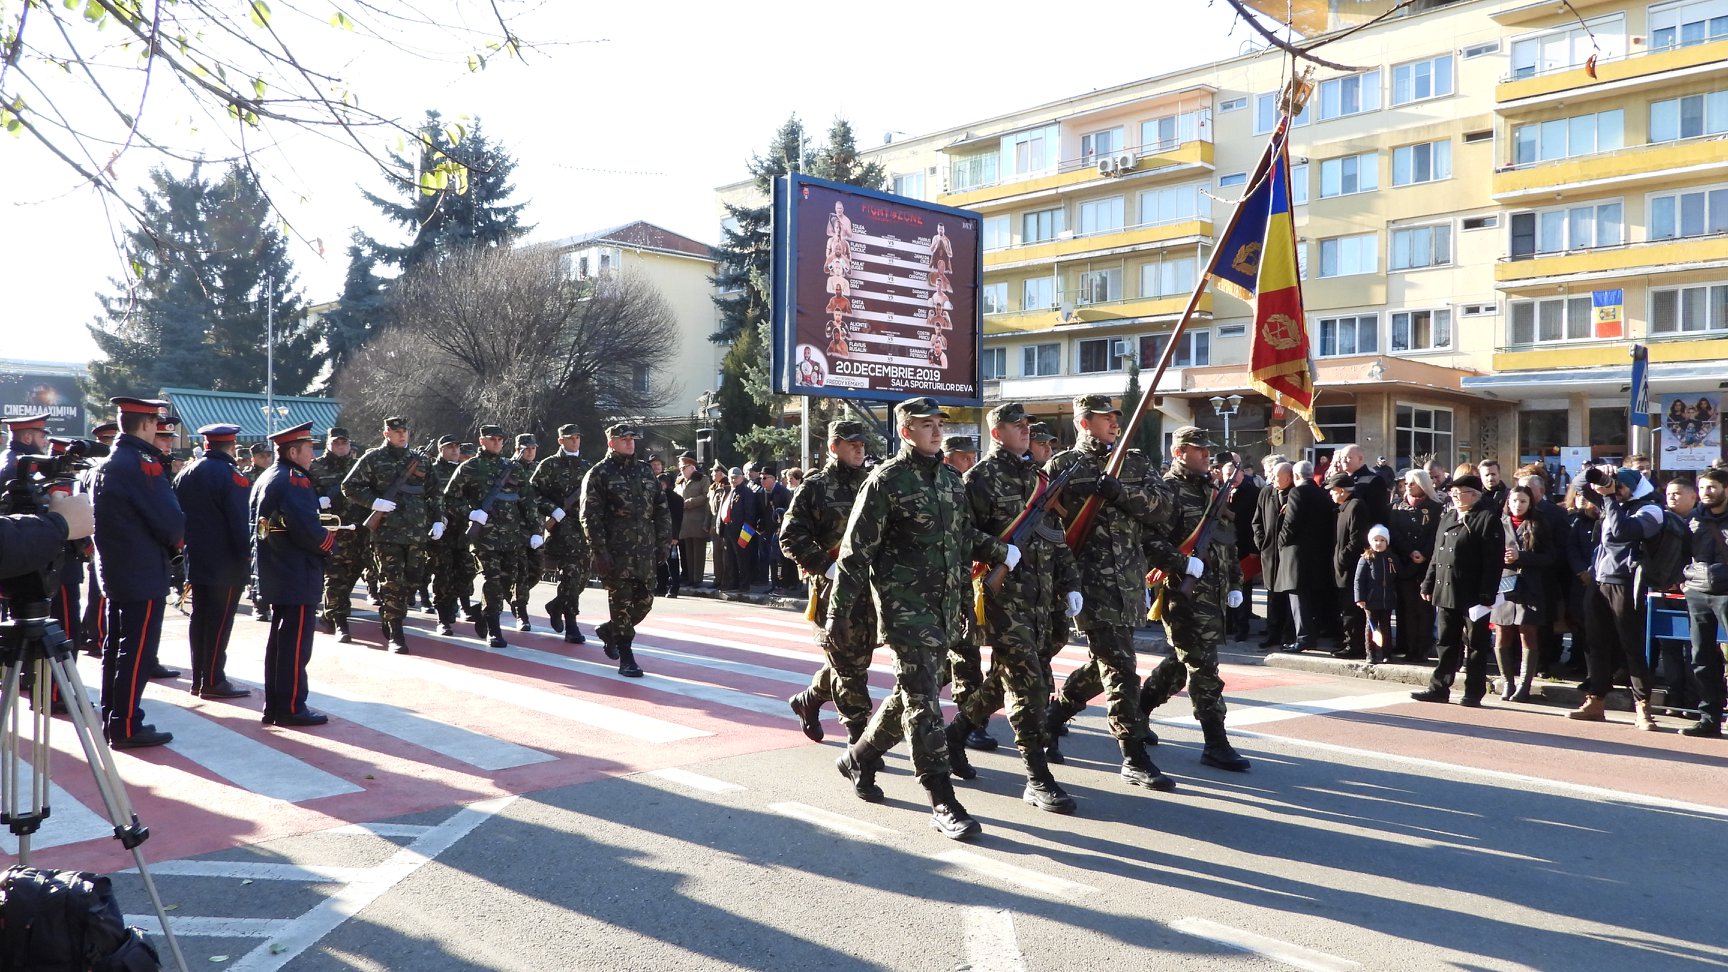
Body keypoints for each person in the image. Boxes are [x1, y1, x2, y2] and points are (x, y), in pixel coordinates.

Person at [829, 397, 1013, 840]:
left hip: (946, 607)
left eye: (938, 424)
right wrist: (838, 614)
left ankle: (859, 756)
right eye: (925, 425)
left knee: (910, 695)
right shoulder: (885, 481)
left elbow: (963, 536)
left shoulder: (952, 479)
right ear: (906, 431)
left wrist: (1001, 551)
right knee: (924, 705)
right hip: (906, 609)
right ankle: (940, 797)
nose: (935, 431)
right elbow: (856, 553)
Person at [942, 402, 1082, 813]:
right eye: (1016, 425)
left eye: (1027, 425)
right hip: (1003, 600)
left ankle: (956, 734)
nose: (1025, 430)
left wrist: (1070, 584)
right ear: (997, 432)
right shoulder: (979, 479)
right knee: (1030, 686)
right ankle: (1038, 777)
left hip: (1040, 600)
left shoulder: (1038, 478)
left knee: (1004, 679)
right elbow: (961, 533)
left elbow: (1057, 537)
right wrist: (998, 549)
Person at [1042, 395, 1176, 791]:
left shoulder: (1133, 461)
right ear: (1085, 423)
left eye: (1116, 416)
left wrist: (1121, 494)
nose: (1115, 423)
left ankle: (1054, 716)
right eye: (1105, 418)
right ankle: (1133, 756)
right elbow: (1048, 527)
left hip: (1129, 581)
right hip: (1088, 583)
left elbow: (1162, 507)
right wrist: (1061, 581)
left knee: (1105, 666)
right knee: (1121, 669)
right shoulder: (1065, 466)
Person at [1139, 426, 1253, 772]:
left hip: (1214, 595)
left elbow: (1225, 540)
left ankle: (1138, 710)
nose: (1206, 454)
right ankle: (1215, 743)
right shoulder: (1167, 490)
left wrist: (1235, 582)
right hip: (1183, 595)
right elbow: (1149, 541)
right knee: (1205, 670)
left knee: (1178, 665)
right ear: (1178, 453)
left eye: (1207, 449)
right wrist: (1180, 562)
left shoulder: (1211, 490)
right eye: (1197, 449)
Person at [90, 397, 186, 749]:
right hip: (142, 571)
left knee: (116, 647)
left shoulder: (111, 462)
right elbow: (171, 522)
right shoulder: (141, 464)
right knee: (137, 651)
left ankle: (113, 716)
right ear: (146, 424)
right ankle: (126, 724)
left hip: (118, 571)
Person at [782, 420, 876, 745]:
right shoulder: (815, 487)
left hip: (871, 590)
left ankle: (808, 700)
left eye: (862, 443)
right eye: (851, 443)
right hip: (833, 593)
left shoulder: (872, 484)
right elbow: (790, 536)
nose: (859, 448)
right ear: (833, 447)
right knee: (850, 671)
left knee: (853, 660)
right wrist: (827, 566)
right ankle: (860, 745)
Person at [250, 421, 334, 727]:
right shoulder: (292, 479)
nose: (313, 454)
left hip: (279, 568)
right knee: (295, 644)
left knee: (282, 642)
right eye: (309, 448)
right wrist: (329, 543)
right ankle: (290, 706)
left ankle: (277, 704)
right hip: (295, 569)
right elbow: (305, 527)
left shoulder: (269, 476)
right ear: (293, 450)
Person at [1570, 467, 1664, 727]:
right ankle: (1596, 701)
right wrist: (1598, 470)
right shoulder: (1612, 501)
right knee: (1597, 644)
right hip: (1599, 582)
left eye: (1622, 486)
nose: (1617, 489)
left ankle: (1643, 708)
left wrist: (1610, 497)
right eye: (1615, 484)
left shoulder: (1651, 510)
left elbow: (1623, 531)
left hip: (1626, 584)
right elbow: (1579, 483)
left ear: (1635, 488)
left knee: (1631, 647)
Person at [580, 424, 672, 677]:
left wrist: (663, 542)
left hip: (645, 550)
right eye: (625, 439)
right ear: (611, 443)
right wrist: (599, 551)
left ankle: (610, 631)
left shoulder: (644, 471)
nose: (630, 443)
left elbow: (661, 508)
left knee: (644, 602)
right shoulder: (599, 473)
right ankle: (626, 657)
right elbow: (590, 516)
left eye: (632, 439)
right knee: (620, 603)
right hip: (616, 551)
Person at [342, 417, 439, 653]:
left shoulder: (422, 459)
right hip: (387, 533)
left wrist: (437, 519)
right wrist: (374, 502)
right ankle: (396, 633)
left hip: (416, 532)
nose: (401, 435)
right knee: (393, 582)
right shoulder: (373, 458)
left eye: (405, 431)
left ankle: (391, 615)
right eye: (396, 432)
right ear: (386, 434)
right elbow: (350, 486)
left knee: (413, 581)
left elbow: (434, 493)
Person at [172, 423, 253, 698]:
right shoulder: (231, 475)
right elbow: (239, 521)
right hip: (226, 561)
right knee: (219, 623)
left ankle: (199, 678)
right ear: (231, 446)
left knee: (200, 619)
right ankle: (214, 680)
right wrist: (247, 557)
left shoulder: (186, 472)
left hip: (196, 557)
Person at [1411, 474, 1505, 705]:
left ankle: (1473, 692)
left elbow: (1493, 561)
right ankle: (1439, 687)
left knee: (1475, 644)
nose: (1454, 496)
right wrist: (1429, 582)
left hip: (1473, 593)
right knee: (1446, 640)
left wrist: (1487, 594)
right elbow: (1437, 553)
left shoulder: (1486, 519)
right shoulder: (1449, 516)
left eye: (1459, 492)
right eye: (1452, 492)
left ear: (1473, 495)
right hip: (1446, 588)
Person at [445, 424, 540, 648]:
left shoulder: (513, 468)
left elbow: (527, 501)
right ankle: (494, 629)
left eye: (500, 439)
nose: (497, 443)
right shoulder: (470, 467)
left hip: (512, 536)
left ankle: (481, 610)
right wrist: (471, 513)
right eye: (492, 439)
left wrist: (535, 530)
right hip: (485, 537)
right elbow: (449, 499)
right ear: (482, 441)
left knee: (507, 582)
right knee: (493, 580)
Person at [1492, 486, 1554, 703]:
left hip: (1530, 587)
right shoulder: (1499, 523)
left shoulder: (1540, 524)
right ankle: (1507, 682)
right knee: (1502, 633)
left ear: (1530, 503)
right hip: (1505, 585)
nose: (1517, 505)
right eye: (1514, 501)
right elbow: (1487, 554)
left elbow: (1550, 557)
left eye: (1523, 501)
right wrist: (1502, 557)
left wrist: (1522, 556)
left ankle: (1524, 686)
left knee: (1527, 633)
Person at [531, 424, 592, 644]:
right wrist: (551, 509)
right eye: (570, 438)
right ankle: (572, 625)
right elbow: (533, 492)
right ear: (561, 441)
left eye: (577, 437)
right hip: (563, 528)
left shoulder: (588, 466)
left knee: (583, 578)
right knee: (571, 576)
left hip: (585, 529)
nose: (575, 441)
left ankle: (556, 605)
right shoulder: (550, 465)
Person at [1681, 466, 1728, 737]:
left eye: (1711, 487)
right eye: (1702, 488)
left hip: (1726, 592)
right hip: (1698, 592)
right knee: (1701, 656)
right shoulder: (1694, 519)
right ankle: (1709, 718)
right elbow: (1680, 551)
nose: (1706, 493)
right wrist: (1682, 577)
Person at [309, 427, 365, 643]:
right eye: (336, 443)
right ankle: (341, 621)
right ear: (328, 444)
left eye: (344, 443)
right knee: (335, 577)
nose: (340, 447)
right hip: (331, 531)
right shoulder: (316, 467)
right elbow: (303, 494)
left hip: (357, 529)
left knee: (354, 572)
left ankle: (331, 612)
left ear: (350, 445)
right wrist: (318, 500)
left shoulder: (358, 467)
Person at [1277, 459, 1336, 653]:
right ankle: (1312, 634)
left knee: (1298, 600)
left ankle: (1303, 638)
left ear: (1295, 476)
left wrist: (1280, 543)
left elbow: (1291, 524)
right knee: (1311, 599)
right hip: (1318, 554)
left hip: (1297, 555)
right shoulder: (1322, 493)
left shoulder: (1297, 492)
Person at [1389, 469, 1443, 663]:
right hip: (1406, 564)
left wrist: (1424, 553)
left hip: (1426, 566)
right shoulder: (1398, 507)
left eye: (1413, 482)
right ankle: (1411, 648)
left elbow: (1435, 535)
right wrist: (1409, 552)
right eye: (1407, 483)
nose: (1409, 486)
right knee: (1408, 609)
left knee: (1425, 610)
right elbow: (1394, 534)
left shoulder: (1436, 507)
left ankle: (1423, 647)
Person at [425, 435, 469, 636]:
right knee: (443, 574)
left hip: (463, 531)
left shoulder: (465, 470)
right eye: (450, 447)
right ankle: (442, 618)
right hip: (442, 532)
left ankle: (454, 606)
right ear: (440, 449)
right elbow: (427, 499)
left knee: (463, 574)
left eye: (457, 446)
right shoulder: (431, 470)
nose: (455, 450)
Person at [1327, 470, 1372, 660]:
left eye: (1332, 490)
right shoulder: (1343, 507)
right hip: (1342, 567)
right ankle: (1348, 641)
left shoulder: (1355, 506)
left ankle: (1354, 646)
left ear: (1341, 490)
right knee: (1345, 608)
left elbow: (1356, 539)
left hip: (1351, 568)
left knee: (1352, 609)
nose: (1330, 494)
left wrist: (1342, 559)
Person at [1253, 459, 1295, 650]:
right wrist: (1261, 542)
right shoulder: (1266, 492)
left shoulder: (1294, 493)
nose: (1272, 478)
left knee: (1286, 596)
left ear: (1288, 477)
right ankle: (1272, 634)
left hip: (1287, 554)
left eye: (1277, 476)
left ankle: (1287, 635)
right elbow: (1257, 521)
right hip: (1269, 552)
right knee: (1272, 595)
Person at [508, 434, 542, 629]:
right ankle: (522, 610)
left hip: (535, 528)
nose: (529, 452)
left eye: (532, 448)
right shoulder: (509, 468)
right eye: (526, 448)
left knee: (537, 569)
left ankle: (514, 597)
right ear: (517, 449)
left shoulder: (539, 469)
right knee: (521, 571)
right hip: (514, 528)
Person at [1226, 458, 1262, 642]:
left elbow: (1254, 522)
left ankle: (1242, 626)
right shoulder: (1222, 492)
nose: (1230, 479)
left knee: (1242, 588)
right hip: (1225, 546)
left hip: (1244, 546)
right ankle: (1228, 624)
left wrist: (1254, 548)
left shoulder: (1252, 492)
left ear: (1241, 473)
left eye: (1233, 474)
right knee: (1225, 587)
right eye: (1226, 475)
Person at [1353, 525, 1397, 665]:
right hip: (1371, 601)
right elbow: (1358, 580)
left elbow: (1400, 572)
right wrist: (1360, 598)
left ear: (1387, 542)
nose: (1379, 543)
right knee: (1371, 628)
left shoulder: (1391, 558)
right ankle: (1370, 654)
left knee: (1386, 628)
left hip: (1387, 600)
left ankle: (1386, 654)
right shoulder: (1366, 558)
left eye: (1382, 540)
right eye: (1376, 540)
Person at [716, 466, 759, 592]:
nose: (733, 480)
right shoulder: (729, 491)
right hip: (729, 528)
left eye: (736, 477)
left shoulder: (746, 492)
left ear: (742, 478)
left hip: (742, 530)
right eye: (731, 478)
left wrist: (745, 533)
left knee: (742, 558)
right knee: (730, 558)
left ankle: (744, 584)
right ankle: (732, 582)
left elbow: (750, 514)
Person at [757, 466, 793, 594]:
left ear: (773, 478)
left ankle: (783, 585)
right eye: (760, 478)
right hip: (768, 531)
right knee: (771, 559)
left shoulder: (783, 492)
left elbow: (790, 512)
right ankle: (774, 584)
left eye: (765, 478)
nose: (762, 480)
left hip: (781, 531)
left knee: (780, 560)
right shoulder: (761, 492)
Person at [676, 453, 709, 589]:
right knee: (688, 552)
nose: (682, 471)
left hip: (697, 521)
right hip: (684, 522)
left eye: (684, 468)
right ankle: (690, 577)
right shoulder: (679, 481)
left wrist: (689, 502)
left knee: (698, 552)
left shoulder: (702, 479)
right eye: (681, 468)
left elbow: (707, 496)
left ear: (692, 467)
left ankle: (697, 579)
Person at [654, 472, 684, 598]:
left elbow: (678, 519)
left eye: (663, 483)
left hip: (671, 534)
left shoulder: (676, 499)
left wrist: (675, 536)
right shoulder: (654, 497)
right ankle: (661, 586)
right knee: (658, 561)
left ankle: (674, 587)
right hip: (657, 533)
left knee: (672, 562)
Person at [708, 464, 732, 590]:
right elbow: (710, 509)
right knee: (716, 554)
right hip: (713, 525)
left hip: (722, 524)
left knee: (724, 554)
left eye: (714, 472)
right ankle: (717, 579)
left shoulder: (726, 488)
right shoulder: (713, 488)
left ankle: (725, 580)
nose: (712, 474)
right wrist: (706, 524)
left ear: (721, 473)